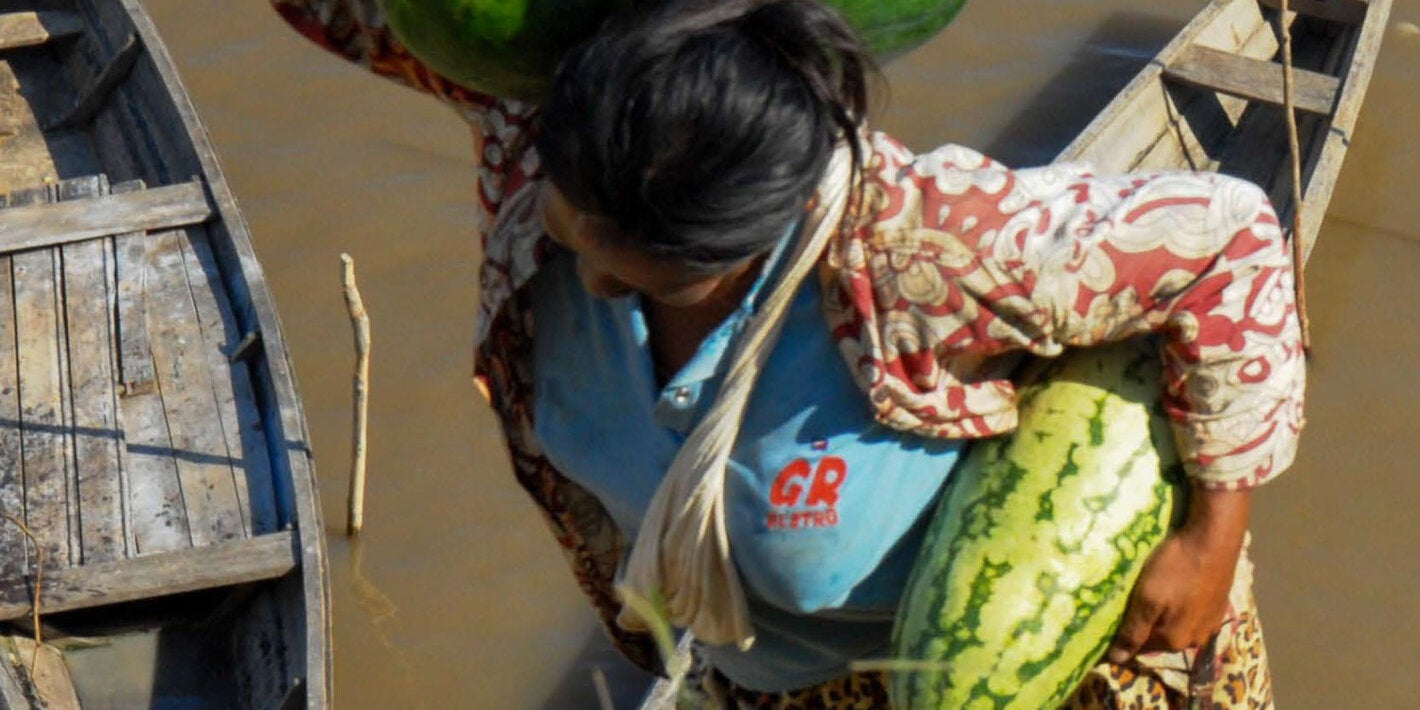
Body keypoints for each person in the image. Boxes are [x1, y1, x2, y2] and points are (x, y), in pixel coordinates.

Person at [273, 0, 1302, 706]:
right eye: (571, 224)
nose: (585, 277)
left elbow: (1232, 240)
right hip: (776, 680)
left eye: (645, 271)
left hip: (1043, 668)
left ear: (756, 235)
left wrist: (1211, 534)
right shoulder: (548, 136)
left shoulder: (926, 242)